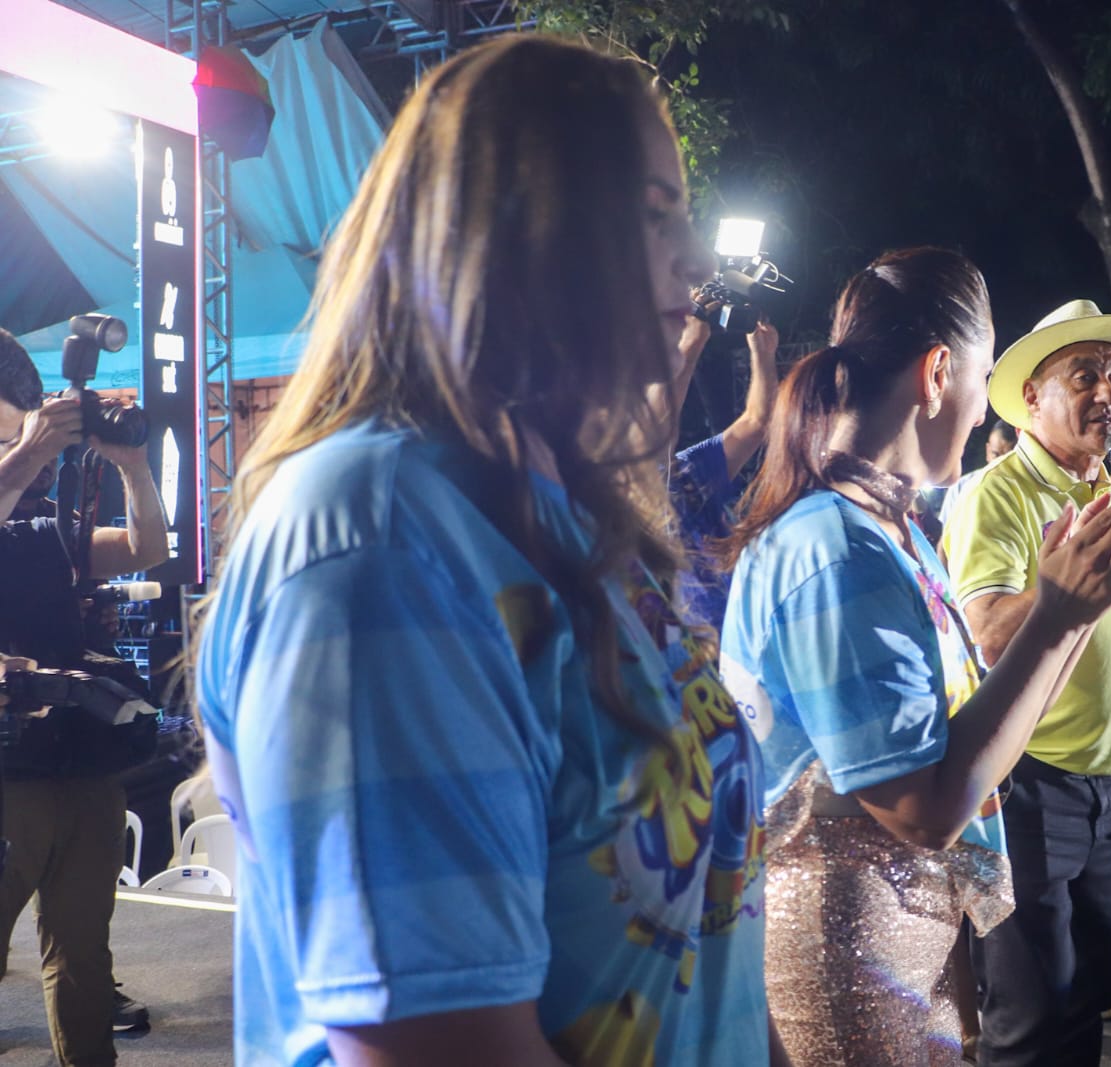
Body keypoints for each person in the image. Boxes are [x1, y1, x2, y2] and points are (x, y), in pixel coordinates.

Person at [194, 36, 775, 1066]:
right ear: (511, 236)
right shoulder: (381, 539)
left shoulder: (567, 509)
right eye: (649, 214)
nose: (692, 256)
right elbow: (441, 1044)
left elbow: (702, 946)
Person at [719, 250, 1111, 1067]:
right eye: (981, 387)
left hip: (905, 954)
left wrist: (1079, 603)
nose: (980, 418)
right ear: (939, 373)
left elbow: (956, 739)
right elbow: (926, 810)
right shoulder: (837, 551)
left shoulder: (894, 535)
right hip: (845, 971)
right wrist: (1058, 613)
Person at [943, 298, 1111, 1066]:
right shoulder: (994, 494)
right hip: (1029, 785)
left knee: (1087, 997)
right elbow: (987, 633)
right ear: (1032, 395)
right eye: (1084, 374)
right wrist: (1072, 577)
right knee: (1029, 1011)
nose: (1108, 392)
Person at [0, 328, 167, 1065]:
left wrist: (133, 467)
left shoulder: (45, 523)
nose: (20, 441)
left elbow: (147, 548)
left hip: (79, 766)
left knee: (85, 964)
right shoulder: (20, 475)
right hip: (8, 777)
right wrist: (30, 451)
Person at [669, 306, 779, 629]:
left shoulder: (690, 470)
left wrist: (762, 353)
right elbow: (658, 430)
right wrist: (692, 340)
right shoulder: (625, 488)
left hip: (738, 649)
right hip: (688, 661)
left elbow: (757, 423)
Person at [936, 419, 1016, 531]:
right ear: (988, 451)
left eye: (1008, 457)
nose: (1000, 464)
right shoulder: (962, 486)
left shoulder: (1024, 494)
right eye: (995, 455)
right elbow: (945, 537)